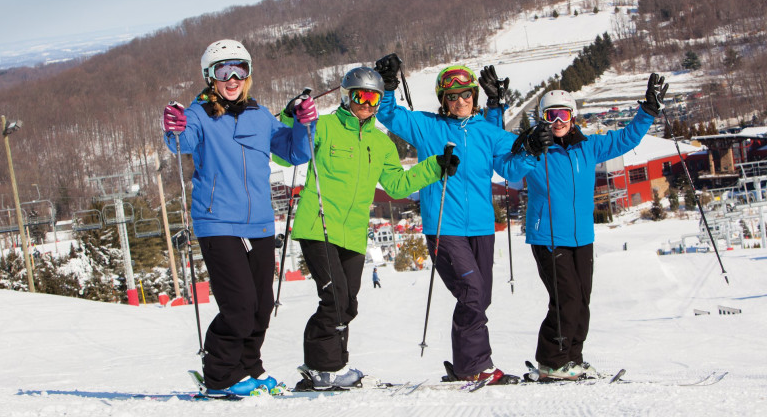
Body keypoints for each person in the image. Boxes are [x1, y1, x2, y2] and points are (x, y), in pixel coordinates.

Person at [280, 66, 459, 389]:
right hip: (317, 226)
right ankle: (322, 366)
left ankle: (336, 364)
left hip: (353, 232)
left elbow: (396, 185)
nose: (366, 103)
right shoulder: (324, 127)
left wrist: (435, 167)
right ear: (347, 96)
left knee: (348, 302)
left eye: (373, 97)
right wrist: (292, 116)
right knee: (334, 298)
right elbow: (286, 153)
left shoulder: (380, 142)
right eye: (359, 95)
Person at [161, 39, 318, 396]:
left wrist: (302, 123)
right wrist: (173, 126)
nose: (232, 79)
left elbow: (295, 153)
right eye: (223, 71)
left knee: (261, 306)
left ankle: (249, 367)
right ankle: (220, 376)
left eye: (239, 70)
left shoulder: (261, 116)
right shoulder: (199, 115)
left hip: (260, 222)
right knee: (239, 304)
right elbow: (181, 142)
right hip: (217, 222)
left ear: (248, 74)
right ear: (210, 77)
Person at [374, 54, 526, 385]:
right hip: (445, 225)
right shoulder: (430, 127)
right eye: (452, 96)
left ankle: (466, 364)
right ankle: (476, 366)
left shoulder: (487, 130)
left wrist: (532, 146)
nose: (460, 101)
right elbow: (389, 114)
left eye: (467, 94)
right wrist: (387, 86)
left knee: (480, 297)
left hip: (483, 227)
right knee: (472, 291)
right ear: (444, 100)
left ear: (475, 95)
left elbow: (512, 167)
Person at [509, 74, 668, 380]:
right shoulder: (534, 151)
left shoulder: (589, 147)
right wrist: (528, 149)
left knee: (582, 299)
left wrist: (647, 111)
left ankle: (573, 357)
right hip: (548, 236)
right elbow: (511, 172)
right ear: (543, 119)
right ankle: (551, 360)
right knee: (566, 298)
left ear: (573, 116)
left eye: (563, 114)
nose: (557, 121)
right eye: (550, 115)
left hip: (582, 236)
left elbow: (626, 139)